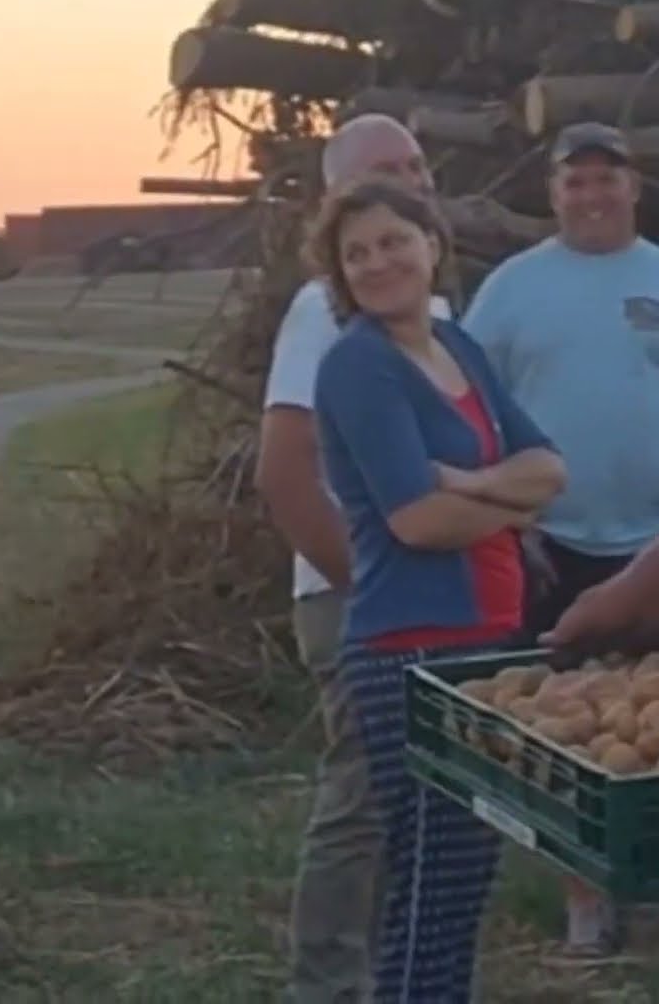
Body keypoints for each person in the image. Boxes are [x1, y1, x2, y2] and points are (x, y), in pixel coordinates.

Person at [310, 178, 564, 1002]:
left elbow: (550, 471)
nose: (378, 263)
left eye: (393, 241)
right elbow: (415, 521)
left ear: (431, 243)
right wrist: (507, 499)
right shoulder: (359, 365)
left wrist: (469, 480)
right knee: (427, 885)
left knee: (464, 880)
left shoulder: (461, 350)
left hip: (488, 636)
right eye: (357, 254)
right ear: (341, 277)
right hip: (411, 648)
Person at [256, 115, 452, 1003]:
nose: (413, 176)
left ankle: (396, 976)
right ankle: (328, 986)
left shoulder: (434, 307)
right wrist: (367, 586)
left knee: (416, 803)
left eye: (417, 164)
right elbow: (286, 471)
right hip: (357, 597)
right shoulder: (324, 307)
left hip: (429, 593)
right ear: (338, 198)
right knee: (362, 800)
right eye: (387, 168)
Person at [463, 120, 659, 954]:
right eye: (574, 182)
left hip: (655, 547)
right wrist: (507, 513)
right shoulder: (512, 290)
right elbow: (467, 409)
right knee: (567, 727)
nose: (592, 195)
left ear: (634, 188)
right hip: (553, 543)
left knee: (646, 722)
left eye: (606, 179)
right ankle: (587, 898)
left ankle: (650, 889)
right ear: (551, 195)